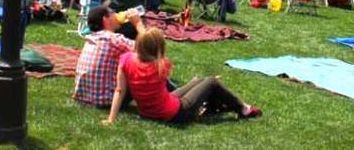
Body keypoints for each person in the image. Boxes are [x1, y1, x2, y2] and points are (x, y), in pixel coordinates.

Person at [102, 28, 261, 125]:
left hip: (150, 110)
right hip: (176, 113)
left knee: (199, 81)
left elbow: (119, 90)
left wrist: (111, 119)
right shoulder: (162, 65)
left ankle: (211, 106)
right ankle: (244, 109)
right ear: (159, 49)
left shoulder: (126, 59)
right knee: (211, 81)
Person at [73, 5, 145, 107]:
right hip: (106, 99)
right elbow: (148, 47)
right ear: (105, 19)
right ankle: (165, 99)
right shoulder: (112, 38)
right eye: (113, 13)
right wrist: (138, 23)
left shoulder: (92, 38)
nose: (117, 14)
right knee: (148, 67)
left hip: (84, 96)